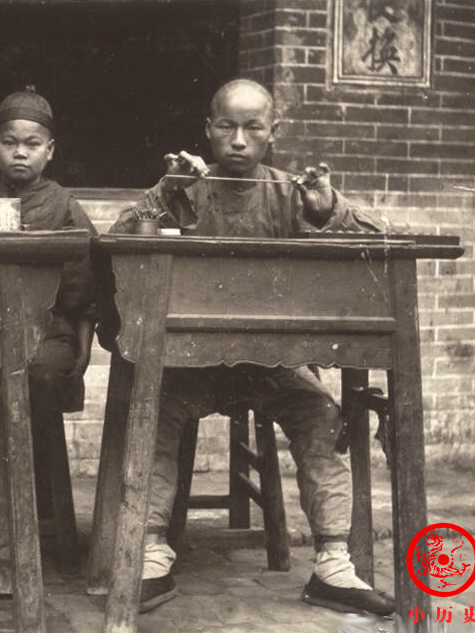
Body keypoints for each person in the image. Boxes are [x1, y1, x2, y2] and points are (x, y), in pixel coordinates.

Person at [110, 78, 395, 617]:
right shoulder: (185, 187)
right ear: (208, 129)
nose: (238, 140)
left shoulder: (293, 193)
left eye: (253, 128)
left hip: (272, 365)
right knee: (153, 415)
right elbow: (118, 237)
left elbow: (378, 239)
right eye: (226, 126)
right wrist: (165, 191)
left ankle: (333, 566)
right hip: (193, 365)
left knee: (321, 413)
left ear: (273, 132)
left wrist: (328, 210)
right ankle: (150, 555)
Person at [0, 87, 98, 554]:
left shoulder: (64, 206)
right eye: (10, 142)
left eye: (32, 144)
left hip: (46, 336)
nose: (20, 152)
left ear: (50, 150)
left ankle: (27, 492)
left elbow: (85, 289)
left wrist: (83, 351)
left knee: (37, 374)